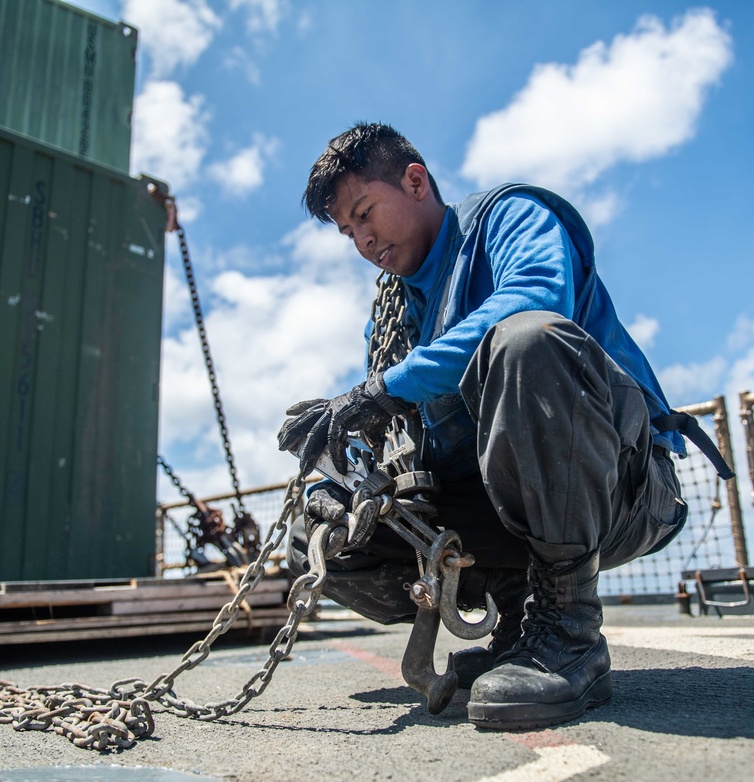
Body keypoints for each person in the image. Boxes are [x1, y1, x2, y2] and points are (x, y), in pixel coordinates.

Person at [277, 122, 724, 731]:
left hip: (625, 489)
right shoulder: (391, 314)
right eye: (348, 231)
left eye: (365, 213)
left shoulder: (510, 216)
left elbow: (536, 296)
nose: (362, 240)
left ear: (414, 181)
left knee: (526, 343)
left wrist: (384, 389)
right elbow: (395, 433)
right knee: (314, 527)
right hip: (501, 502)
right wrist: (344, 471)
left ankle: (569, 633)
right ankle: (516, 626)